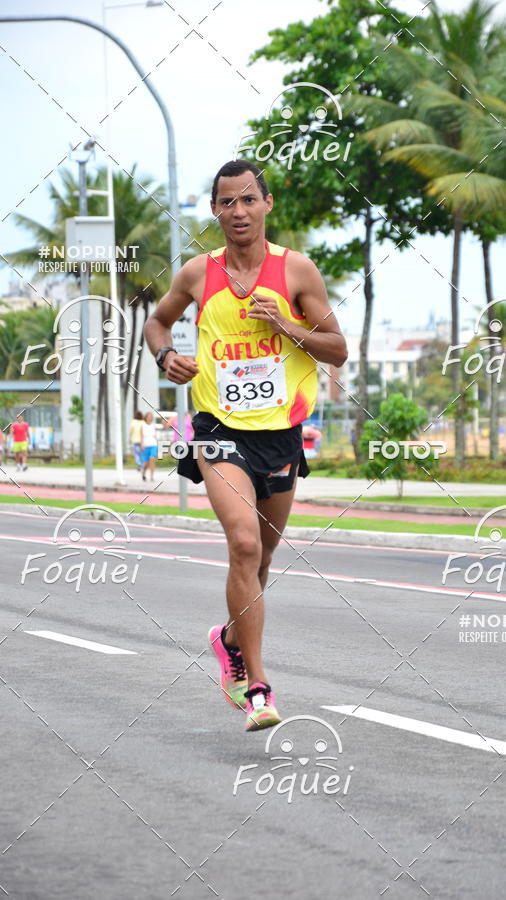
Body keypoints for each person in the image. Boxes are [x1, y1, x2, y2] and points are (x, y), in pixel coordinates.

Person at [144, 159, 347, 731]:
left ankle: (229, 636)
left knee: (264, 558)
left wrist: (287, 326)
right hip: (216, 428)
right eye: (227, 202)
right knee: (243, 544)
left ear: (267, 204)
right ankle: (257, 685)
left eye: (248, 200)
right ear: (213, 210)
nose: (238, 211)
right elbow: (156, 324)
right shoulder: (195, 274)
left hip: (280, 431)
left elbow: (336, 349)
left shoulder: (296, 271)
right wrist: (166, 357)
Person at [140, 412, 158, 482]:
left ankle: (152, 476)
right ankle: (144, 472)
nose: (150, 418)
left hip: (153, 444)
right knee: (146, 463)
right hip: (145, 445)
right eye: (149, 416)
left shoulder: (153, 425)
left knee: (152, 459)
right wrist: (141, 444)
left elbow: (155, 436)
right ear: (146, 417)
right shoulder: (143, 425)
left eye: (151, 416)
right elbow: (141, 435)